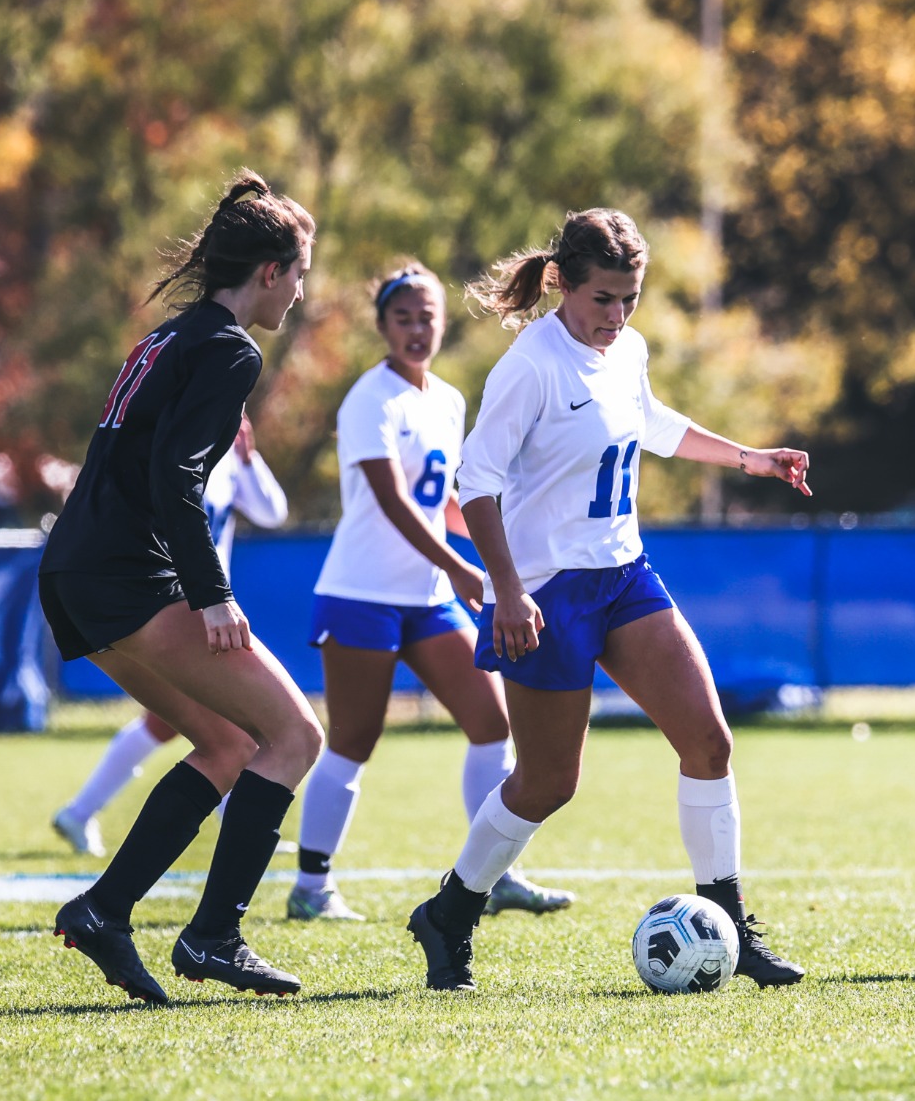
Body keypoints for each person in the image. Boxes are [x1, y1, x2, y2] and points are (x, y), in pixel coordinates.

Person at [402, 209, 812, 992]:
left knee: (710, 741)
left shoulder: (627, 349)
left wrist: (748, 459)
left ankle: (729, 923)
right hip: (547, 594)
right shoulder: (531, 365)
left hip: (624, 575)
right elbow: (476, 482)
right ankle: (450, 912)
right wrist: (509, 591)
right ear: (561, 282)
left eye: (629, 298)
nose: (616, 316)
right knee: (548, 782)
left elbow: (650, 422)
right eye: (602, 299)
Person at [40, 171, 325, 1003]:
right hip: (128, 573)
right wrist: (213, 594)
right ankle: (214, 935)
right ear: (269, 271)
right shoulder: (231, 347)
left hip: (79, 569)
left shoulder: (171, 335)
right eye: (300, 272)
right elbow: (176, 478)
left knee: (232, 744)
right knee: (295, 734)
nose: (302, 291)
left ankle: (103, 909)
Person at [287, 262, 574, 923]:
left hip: (427, 595)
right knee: (354, 739)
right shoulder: (370, 398)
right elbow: (392, 503)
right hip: (360, 593)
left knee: (492, 722)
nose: (417, 330)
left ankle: (496, 872)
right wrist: (468, 570)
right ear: (383, 325)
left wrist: (505, 550)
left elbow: (442, 500)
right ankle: (311, 885)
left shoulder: (445, 399)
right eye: (404, 318)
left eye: (428, 318)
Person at [51, 415, 289, 856]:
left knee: (175, 725)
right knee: (233, 726)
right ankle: (238, 825)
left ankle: (80, 812)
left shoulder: (231, 459)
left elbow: (273, 513)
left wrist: (250, 457)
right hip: (173, 605)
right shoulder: (173, 449)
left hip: (211, 611)